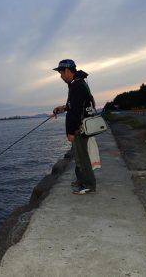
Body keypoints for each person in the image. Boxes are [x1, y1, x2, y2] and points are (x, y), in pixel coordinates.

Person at [52, 59, 96, 195]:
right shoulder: (77, 83)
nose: (60, 76)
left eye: (60, 73)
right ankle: (81, 180)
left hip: (79, 128)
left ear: (67, 71)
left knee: (82, 157)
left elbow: (76, 111)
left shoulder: (77, 85)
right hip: (81, 126)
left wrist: (71, 131)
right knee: (78, 155)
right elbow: (75, 105)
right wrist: (63, 108)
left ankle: (89, 185)